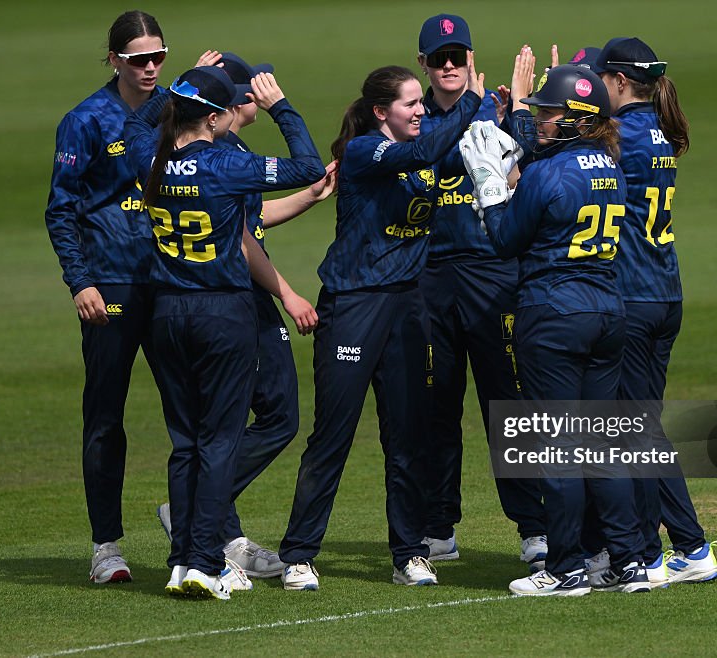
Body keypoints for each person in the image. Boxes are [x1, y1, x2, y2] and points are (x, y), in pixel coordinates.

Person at [278, 61, 485, 591]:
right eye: (411, 104)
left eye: (422, 103)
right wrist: (466, 106)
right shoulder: (365, 150)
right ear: (380, 112)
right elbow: (422, 149)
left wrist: (506, 111)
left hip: (408, 307)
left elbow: (462, 156)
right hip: (354, 306)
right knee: (334, 434)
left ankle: (410, 553)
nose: (420, 110)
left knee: (409, 434)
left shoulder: (425, 153)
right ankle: (299, 554)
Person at [124, 64, 324, 598]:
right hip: (222, 313)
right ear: (214, 118)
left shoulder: (150, 158)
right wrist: (281, 106)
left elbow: (128, 132)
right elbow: (306, 166)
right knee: (218, 440)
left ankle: (180, 562)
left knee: (184, 442)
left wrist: (168, 95)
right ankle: (206, 562)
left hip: (166, 314)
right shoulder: (221, 165)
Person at [45, 10, 222, 584]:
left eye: (158, 58)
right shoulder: (85, 120)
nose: (150, 68)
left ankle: (200, 532)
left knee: (192, 418)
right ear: (114, 59)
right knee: (105, 417)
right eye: (138, 59)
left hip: (172, 281)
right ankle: (106, 546)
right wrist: (81, 281)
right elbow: (61, 209)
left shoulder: (174, 109)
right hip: (111, 283)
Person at [460, 58, 649, 596]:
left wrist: (490, 185)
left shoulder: (547, 172)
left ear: (576, 117)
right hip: (608, 312)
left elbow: (504, 240)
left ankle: (566, 568)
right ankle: (628, 561)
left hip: (553, 315)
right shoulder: (611, 165)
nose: (540, 117)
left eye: (548, 111)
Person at [579, 37, 717, 586]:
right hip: (665, 293)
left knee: (636, 430)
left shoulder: (621, 139)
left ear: (617, 83)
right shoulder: (658, 133)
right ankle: (643, 549)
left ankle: (684, 545)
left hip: (632, 298)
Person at [413, 14, 549, 572]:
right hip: (429, 276)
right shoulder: (410, 114)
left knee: (505, 406)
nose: (448, 65)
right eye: (438, 57)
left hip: (492, 272)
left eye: (457, 55)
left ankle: (534, 528)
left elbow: (528, 165)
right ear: (423, 63)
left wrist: (513, 109)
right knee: (437, 406)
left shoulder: (488, 110)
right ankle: (438, 528)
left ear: (469, 57)